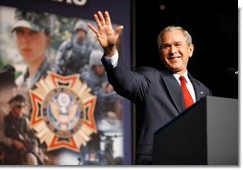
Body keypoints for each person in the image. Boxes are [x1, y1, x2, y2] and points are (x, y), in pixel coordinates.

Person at [88, 11, 212, 165]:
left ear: (190, 50)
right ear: (161, 54)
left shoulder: (204, 91)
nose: (173, 51)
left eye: (178, 45)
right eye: (166, 46)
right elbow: (124, 81)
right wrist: (111, 51)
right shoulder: (150, 79)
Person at [11, 9, 52, 89]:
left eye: (33, 32)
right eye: (20, 32)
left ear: (48, 41)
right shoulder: (19, 83)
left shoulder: (55, 82)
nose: (24, 40)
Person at [3, 94, 45, 165]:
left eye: (22, 107)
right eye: (18, 107)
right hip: (10, 149)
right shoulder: (5, 120)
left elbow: (32, 135)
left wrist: (35, 145)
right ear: (13, 108)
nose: (21, 109)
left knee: (32, 159)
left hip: (25, 147)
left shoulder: (25, 120)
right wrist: (13, 142)